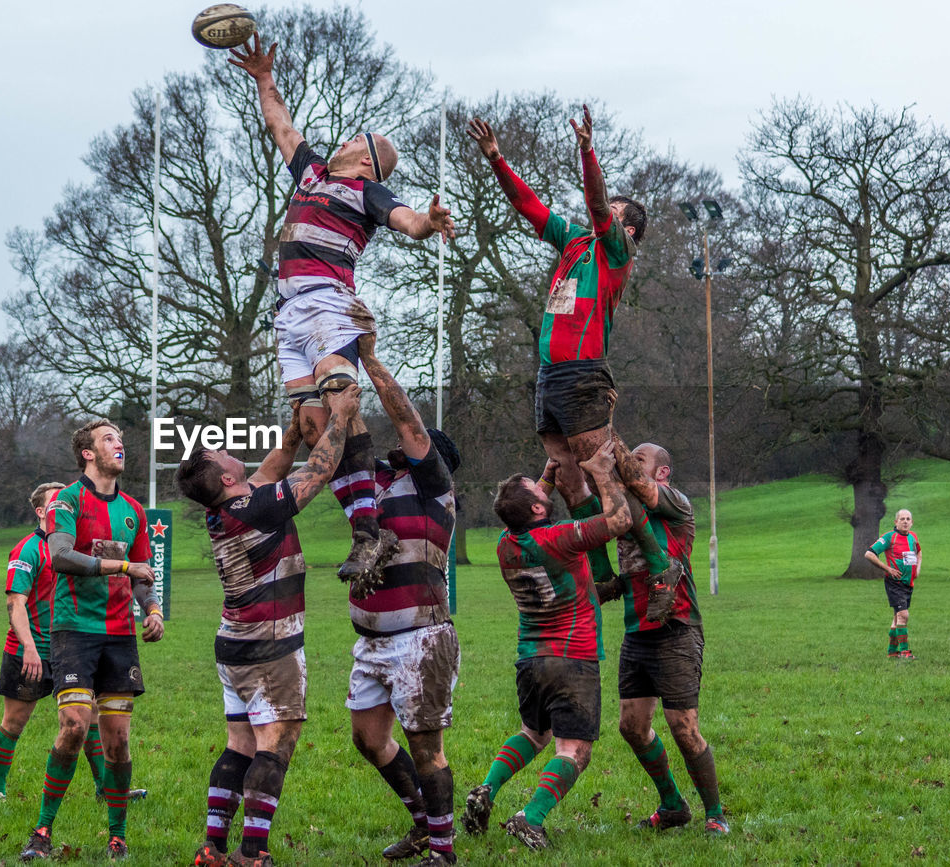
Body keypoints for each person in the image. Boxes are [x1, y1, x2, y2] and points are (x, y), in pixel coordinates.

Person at [229, 33, 455, 587]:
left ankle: (365, 530)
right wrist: (263, 78)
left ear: (368, 160)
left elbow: (407, 221)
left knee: (340, 399)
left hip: (332, 305)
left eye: (356, 137)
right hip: (287, 316)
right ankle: (367, 528)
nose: (344, 139)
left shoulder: (368, 193)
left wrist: (429, 223)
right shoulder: (310, 174)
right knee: (310, 423)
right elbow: (281, 126)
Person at [466, 111, 682, 617]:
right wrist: (497, 158)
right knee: (567, 479)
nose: (599, 212)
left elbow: (597, 202)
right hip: (548, 378)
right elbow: (530, 207)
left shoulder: (616, 250)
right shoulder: (574, 242)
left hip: (584, 374)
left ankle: (658, 563)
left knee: (603, 470)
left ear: (627, 227)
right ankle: (604, 575)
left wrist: (587, 149)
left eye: (611, 209)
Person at [176, 386, 361, 867]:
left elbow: (276, 463)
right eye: (221, 451)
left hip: (233, 644)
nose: (229, 451)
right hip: (270, 644)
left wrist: (297, 421)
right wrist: (338, 418)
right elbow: (317, 474)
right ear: (223, 474)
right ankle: (253, 853)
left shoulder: (230, 507)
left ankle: (214, 848)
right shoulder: (254, 508)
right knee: (275, 746)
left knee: (240, 744)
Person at [461, 443, 630, 851]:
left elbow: (527, 505)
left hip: (531, 659)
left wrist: (547, 474)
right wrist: (605, 474)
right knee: (575, 750)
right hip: (572, 659)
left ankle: (485, 790)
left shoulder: (505, 544)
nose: (543, 492)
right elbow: (619, 519)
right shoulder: (560, 538)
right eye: (538, 493)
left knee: (533, 733)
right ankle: (531, 818)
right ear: (537, 510)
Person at [19, 421, 163, 862]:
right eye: (108, 439)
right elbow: (61, 557)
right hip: (75, 631)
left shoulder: (134, 510)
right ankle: (42, 832)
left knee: (118, 740)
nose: (119, 444)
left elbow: (143, 575)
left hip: (120, 636)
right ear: (87, 453)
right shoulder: (67, 500)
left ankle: (117, 837)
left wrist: (153, 609)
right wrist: (122, 570)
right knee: (75, 727)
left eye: (121, 437)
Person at [346, 333, 461, 866]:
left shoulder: (435, 490)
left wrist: (369, 359)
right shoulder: (377, 488)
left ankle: (443, 849)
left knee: (425, 747)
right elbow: (349, 448)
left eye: (412, 445)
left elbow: (409, 424)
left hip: (419, 636)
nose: (400, 444)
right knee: (368, 739)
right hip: (369, 640)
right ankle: (422, 824)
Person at [602, 443, 728, 835]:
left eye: (640, 460)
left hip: (677, 628)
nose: (630, 465)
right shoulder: (623, 508)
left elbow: (643, 489)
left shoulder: (676, 503)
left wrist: (613, 451)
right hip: (636, 630)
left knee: (684, 728)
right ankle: (673, 804)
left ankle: (716, 814)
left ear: (661, 473)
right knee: (632, 726)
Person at [0, 482, 65, 805]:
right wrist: (30, 648)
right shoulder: (28, 549)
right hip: (28, 652)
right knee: (14, 723)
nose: (65, 507)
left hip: (68, 649)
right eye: (57, 502)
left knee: (85, 721)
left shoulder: (72, 547)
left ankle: (108, 790)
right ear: (41, 511)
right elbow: (15, 604)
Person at [865, 509, 921, 659]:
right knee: (903, 614)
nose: (905, 521)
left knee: (897, 618)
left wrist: (918, 569)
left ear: (912, 522)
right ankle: (904, 652)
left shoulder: (913, 537)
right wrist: (887, 568)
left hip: (908, 584)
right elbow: (869, 554)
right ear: (896, 522)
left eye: (908, 519)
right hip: (894, 583)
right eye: (902, 519)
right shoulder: (889, 537)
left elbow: (919, 552)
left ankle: (892, 652)